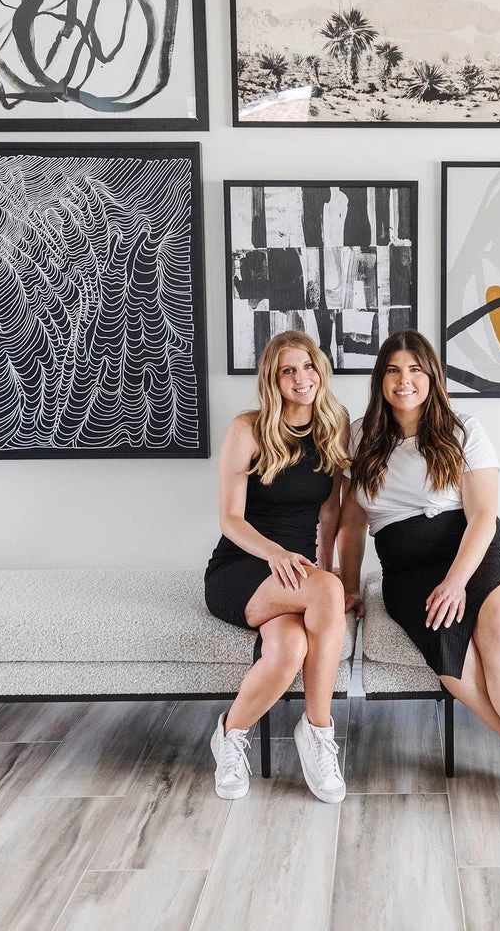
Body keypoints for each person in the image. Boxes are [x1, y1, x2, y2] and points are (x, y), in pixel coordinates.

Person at [337, 330, 500, 829]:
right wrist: (350, 585)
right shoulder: (358, 437)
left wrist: (457, 581)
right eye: (393, 370)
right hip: (408, 569)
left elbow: (482, 516)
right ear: (380, 379)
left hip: (477, 551)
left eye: (415, 370)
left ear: (432, 377)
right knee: (450, 651)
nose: (404, 380)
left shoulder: (464, 431)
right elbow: (351, 523)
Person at [205, 331, 354, 803]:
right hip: (243, 568)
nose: (301, 378)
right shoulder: (247, 428)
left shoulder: (335, 423)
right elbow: (230, 519)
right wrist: (275, 554)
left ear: (320, 370)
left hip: (297, 577)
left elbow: (330, 510)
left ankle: (229, 735)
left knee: (289, 648)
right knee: (326, 591)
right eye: (288, 370)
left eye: (308, 366)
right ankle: (319, 729)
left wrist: (326, 572)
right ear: (273, 378)